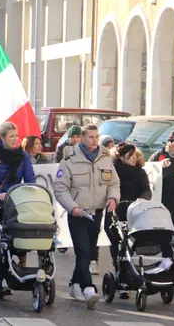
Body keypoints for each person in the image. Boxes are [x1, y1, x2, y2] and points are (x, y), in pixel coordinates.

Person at [54, 124, 120, 309]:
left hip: (97, 213)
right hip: (77, 213)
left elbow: (114, 182)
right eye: (90, 137)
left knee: (89, 252)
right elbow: (60, 188)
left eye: (96, 137)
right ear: (82, 138)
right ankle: (88, 287)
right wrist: (72, 207)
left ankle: (74, 284)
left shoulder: (105, 158)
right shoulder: (69, 159)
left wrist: (113, 198)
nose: (94, 140)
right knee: (83, 251)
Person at [0, 122, 35, 274]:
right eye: (12, 136)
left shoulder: (22, 155)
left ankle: (20, 262)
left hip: (17, 199)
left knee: (20, 231)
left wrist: (30, 191)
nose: (15, 139)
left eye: (16, 135)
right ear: (3, 138)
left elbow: (30, 178)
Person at [106, 142, 151, 299]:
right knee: (117, 245)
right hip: (116, 212)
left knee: (130, 246)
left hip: (134, 211)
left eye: (135, 155)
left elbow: (146, 189)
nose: (134, 158)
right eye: (130, 155)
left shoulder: (140, 172)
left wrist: (143, 198)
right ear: (122, 157)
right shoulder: (113, 171)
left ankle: (129, 275)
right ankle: (119, 273)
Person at [149, 130, 174, 256]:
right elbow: (147, 172)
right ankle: (167, 261)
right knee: (166, 236)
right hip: (165, 202)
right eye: (171, 141)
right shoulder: (160, 155)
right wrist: (158, 166)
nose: (173, 144)